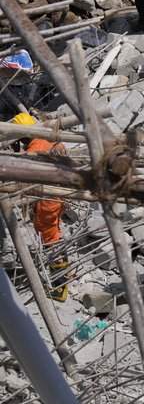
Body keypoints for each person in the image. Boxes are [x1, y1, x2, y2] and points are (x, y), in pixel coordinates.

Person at [13, 113, 69, 300]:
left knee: (48, 235)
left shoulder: (34, 148)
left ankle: (60, 288)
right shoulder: (49, 138)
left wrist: (15, 153)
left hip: (49, 197)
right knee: (54, 231)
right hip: (62, 193)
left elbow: (23, 167)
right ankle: (65, 274)